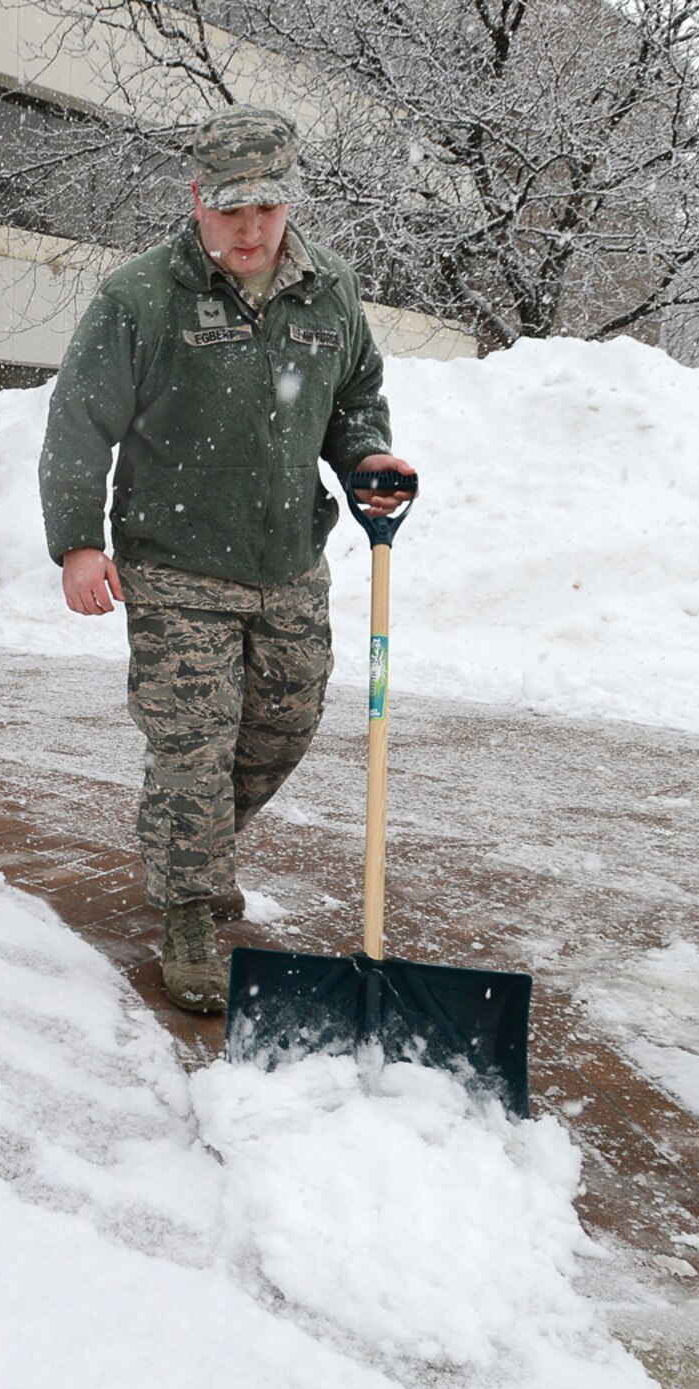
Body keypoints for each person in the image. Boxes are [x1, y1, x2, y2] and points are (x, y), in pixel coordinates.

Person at [38, 107, 415, 1014]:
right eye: (233, 209)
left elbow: (355, 399)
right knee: (193, 746)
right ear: (198, 199)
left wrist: (367, 457)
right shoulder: (141, 298)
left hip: (288, 558)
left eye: (270, 209)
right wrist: (80, 544)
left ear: (290, 202)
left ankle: (185, 846)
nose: (251, 231)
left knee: (281, 731)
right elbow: (78, 426)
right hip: (175, 564)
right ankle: (194, 911)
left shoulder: (331, 292)